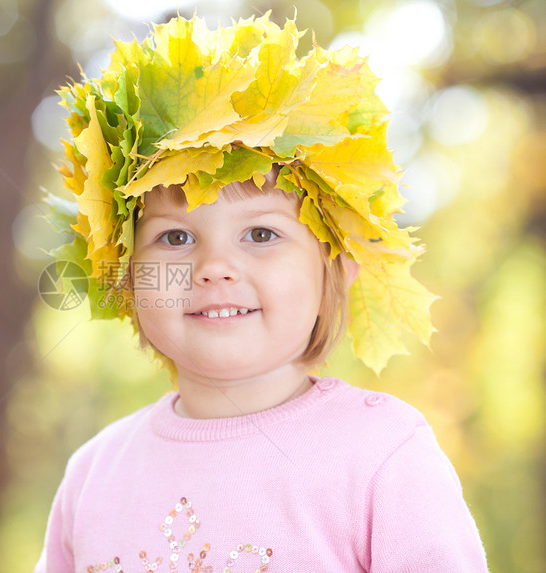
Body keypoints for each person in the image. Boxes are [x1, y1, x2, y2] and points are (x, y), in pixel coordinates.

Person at [35, 13, 489, 572]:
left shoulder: (381, 455)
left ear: (336, 267)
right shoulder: (94, 476)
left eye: (261, 233)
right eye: (175, 237)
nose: (214, 267)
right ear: (128, 277)